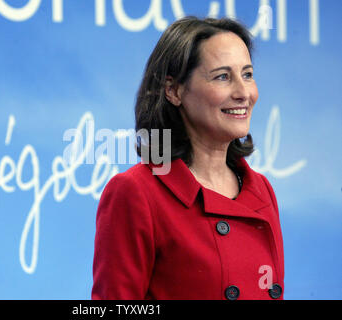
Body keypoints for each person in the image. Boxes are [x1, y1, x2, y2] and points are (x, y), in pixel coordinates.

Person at [91, 16, 284, 300]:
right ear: (174, 90)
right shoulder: (136, 192)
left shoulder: (262, 191)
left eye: (247, 74)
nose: (244, 93)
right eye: (222, 76)